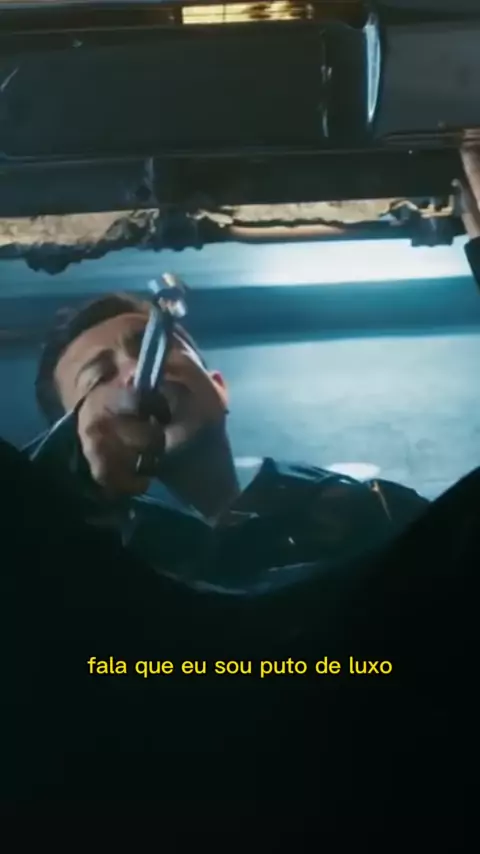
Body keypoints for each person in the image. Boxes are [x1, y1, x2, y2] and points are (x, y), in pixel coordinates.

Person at [32, 288, 428, 590]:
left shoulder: (377, 513)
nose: (137, 372)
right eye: (99, 377)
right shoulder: (61, 570)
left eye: (157, 348)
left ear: (218, 387)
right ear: (70, 434)